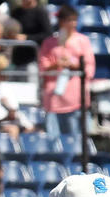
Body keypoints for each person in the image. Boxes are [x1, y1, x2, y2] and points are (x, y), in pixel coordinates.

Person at [39, 5, 94, 140]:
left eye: (75, 20)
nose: (73, 24)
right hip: (54, 98)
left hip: (76, 98)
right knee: (54, 141)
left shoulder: (82, 41)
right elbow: (42, 66)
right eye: (70, 20)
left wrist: (74, 65)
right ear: (61, 21)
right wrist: (56, 65)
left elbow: (89, 66)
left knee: (76, 140)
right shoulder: (49, 43)